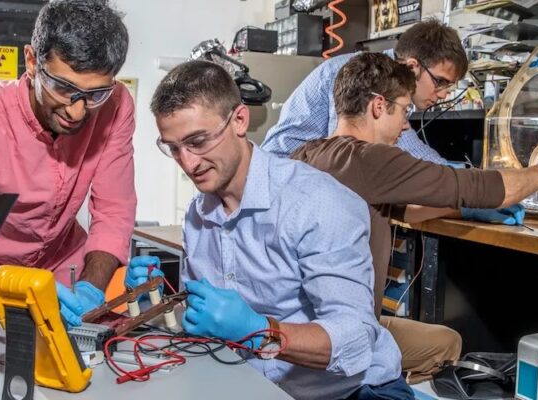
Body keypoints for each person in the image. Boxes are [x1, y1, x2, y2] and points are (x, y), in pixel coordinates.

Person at [290, 53, 538, 382]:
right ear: (377, 106)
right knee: (446, 346)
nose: (405, 125)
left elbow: (406, 208)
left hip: (305, 326)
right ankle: (368, 385)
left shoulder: (309, 152)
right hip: (345, 336)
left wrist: (464, 209)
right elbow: (474, 185)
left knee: (444, 339)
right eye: (403, 111)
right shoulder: (370, 158)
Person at [135, 59, 414, 400]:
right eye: (173, 148)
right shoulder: (199, 215)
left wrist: (259, 332)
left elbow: (354, 341)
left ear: (239, 120)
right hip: (258, 387)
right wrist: (159, 304)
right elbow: (208, 322)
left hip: (353, 390)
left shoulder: (317, 202)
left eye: (198, 141)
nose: (188, 163)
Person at [0, 0, 135, 327]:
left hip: (64, 279)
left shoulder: (117, 106)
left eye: (95, 94)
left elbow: (114, 210)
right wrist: (1, 284)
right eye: (64, 88)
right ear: (31, 62)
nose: (77, 112)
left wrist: (90, 289)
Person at [261, 19, 466, 162]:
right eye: (440, 81)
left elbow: (407, 145)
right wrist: (457, 179)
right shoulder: (366, 75)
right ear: (413, 67)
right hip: (284, 185)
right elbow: (353, 156)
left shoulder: (391, 84)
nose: (443, 94)